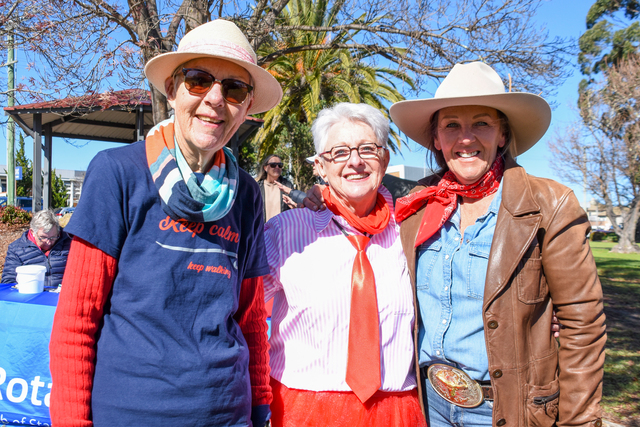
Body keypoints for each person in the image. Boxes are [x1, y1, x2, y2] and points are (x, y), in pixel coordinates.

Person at [49, 19, 283, 427]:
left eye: (234, 89)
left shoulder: (246, 193)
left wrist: (260, 403)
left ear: (246, 107)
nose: (215, 99)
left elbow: (249, 318)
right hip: (131, 414)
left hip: (228, 413)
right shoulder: (118, 173)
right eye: (199, 80)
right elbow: (76, 319)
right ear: (172, 90)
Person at [389, 62, 606, 427]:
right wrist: (319, 198)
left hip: (505, 409)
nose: (466, 138)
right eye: (451, 125)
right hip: (428, 405)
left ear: (502, 135)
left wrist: (579, 422)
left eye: (481, 123)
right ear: (437, 139)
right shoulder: (417, 205)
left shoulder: (550, 205)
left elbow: (582, 325)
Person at [264, 102, 427, 427]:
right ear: (320, 167)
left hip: (396, 413)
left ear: (384, 160)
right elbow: (244, 316)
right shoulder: (283, 232)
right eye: (339, 152)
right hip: (301, 411)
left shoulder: (412, 231)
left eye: (367, 149)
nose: (355, 161)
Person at [1, 209, 71, 289]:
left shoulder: (69, 243)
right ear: (32, 232)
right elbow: (8, 282)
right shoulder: (17, 249)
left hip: (63, 293)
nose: (48, 242)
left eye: (53, 237)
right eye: (43, 237)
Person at [257, 154, 297, 221]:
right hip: (263, 227)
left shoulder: (287, 186)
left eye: (280, 165)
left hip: (283, 226)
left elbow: (294, 209)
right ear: (265, 168)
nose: (277, 167)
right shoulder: (257, 187)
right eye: (273, 165)